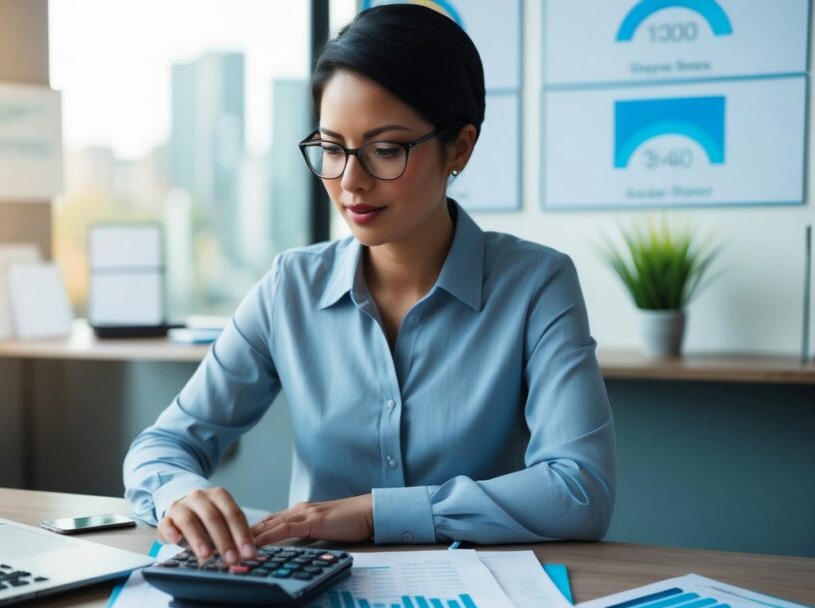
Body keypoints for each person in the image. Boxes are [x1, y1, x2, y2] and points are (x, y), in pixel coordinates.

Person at [124, 4, 616, 567]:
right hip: (308, 596)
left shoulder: (536, 284)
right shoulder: (291, 287)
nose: (351, 182)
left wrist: (372, 513)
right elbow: (161, 447)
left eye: (386, 150)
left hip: (472, 601)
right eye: (332, 149)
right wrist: (181, 495)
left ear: (459, 147)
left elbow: (580, 489)